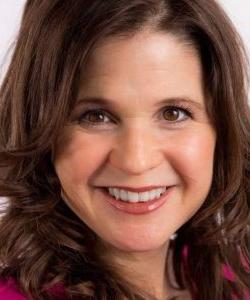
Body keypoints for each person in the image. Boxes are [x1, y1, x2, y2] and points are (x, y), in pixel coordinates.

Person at [0, 0, 249, 299]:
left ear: (221, 130)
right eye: (95, 116)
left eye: (173, 113)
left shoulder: (237, 277)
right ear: (40, 130)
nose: (136, 161)